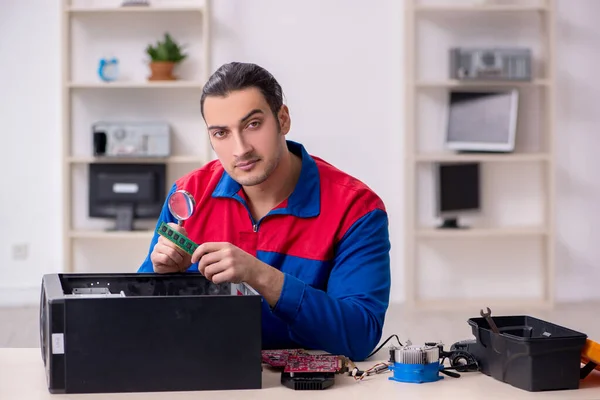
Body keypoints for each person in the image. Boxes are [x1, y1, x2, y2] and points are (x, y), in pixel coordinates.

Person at [138, 62, 391, 361]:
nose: (240, 149)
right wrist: (163, 278)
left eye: (253, 125)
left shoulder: (357, 209)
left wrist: (261, 277)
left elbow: (360, 336)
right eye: (221, 133)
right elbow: (141, 323)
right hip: (209, 375)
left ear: (283, 119)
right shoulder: (187, 195)